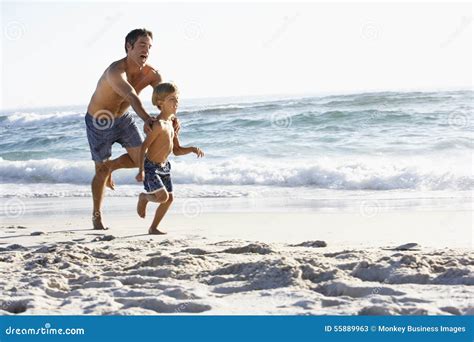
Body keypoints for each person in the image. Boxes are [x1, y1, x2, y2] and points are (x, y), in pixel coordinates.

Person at [85, 28, 179, 230]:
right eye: (142, 45)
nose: (146, 50)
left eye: (149, 47)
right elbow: (131, 96)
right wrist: (146, 119)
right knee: (100, 172)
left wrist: (172, 118)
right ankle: (96, 216)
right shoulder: (115, 71)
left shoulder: (152, 74)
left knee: (143, 161)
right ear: (129, 46)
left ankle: (113, 166)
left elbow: (164, 98)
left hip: (123, 118)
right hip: (99, 120)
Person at [136, 83, 204, 235]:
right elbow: (143, 148)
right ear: (160, 103)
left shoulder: (172, 124)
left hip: (165, 167)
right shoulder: (158, 125)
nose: (176, 102)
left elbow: (177, 151)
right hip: (151, 167)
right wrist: (141, 170)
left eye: (177, 99)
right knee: (163, 197)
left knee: (170, 199)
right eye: (172, 99)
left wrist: (192, 149)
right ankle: (144, 197)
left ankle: (153, 227)